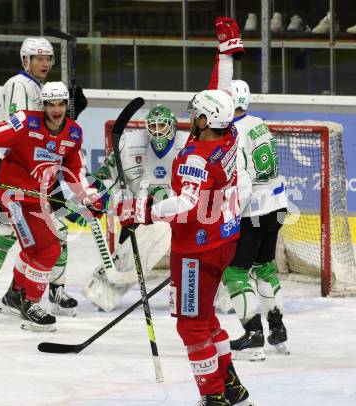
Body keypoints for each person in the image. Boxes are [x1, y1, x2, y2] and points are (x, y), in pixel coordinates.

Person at [114, 17, 253, 406]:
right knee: (207, 318)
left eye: (196, 113)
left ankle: (213, 398)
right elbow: (220, 95)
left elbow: (188, 206)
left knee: (191, 325)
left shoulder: (195, 156)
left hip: (196, 250)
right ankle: (231, 386)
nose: (192, 117)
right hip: (225, 238)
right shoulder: (229, 134)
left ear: (205, 119)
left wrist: (142, 210)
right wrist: (225, 55)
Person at [0, 81, 101, 332]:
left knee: (37, 249)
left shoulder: (73, 133)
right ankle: (31, 304)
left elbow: (75, 169)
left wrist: (88, 195)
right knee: (48, 249)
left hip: (39, 198)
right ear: (44, 105)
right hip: (13, 197)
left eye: (61, 103)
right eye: (51, 104)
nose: (57, 109)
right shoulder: (25, 122)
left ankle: (16, 295)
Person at [0, 37, 87, 322]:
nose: (44, 63)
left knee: (54, 230)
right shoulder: (18, 85)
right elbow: (20, 130)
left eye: (48, 58)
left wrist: (69, 115)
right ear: (25, 60)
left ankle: (35, 291)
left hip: (40, 171)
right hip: (15, 170)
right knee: (8, 233)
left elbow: (48, 127)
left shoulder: (40, 87)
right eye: (37, 58)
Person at [82, 105, 189, 312]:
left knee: (205, 254)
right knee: (135, 250)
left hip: (183, 216)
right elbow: (105, 174)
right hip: (141, 217)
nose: (158, 131)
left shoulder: (188, 145)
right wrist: (93, 194)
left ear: (173, 128)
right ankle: (103, 291)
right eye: (154, 126)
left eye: (162, 126)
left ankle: (207, 295)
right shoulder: (129, 144)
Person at [222, 78, 289, 360]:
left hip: (255, 210)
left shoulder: (233, 132)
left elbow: (242, 181)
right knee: (265, 267)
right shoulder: (259, 122)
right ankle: (277, 330)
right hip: (278, 204)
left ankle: (253, 335)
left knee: (235, 272)